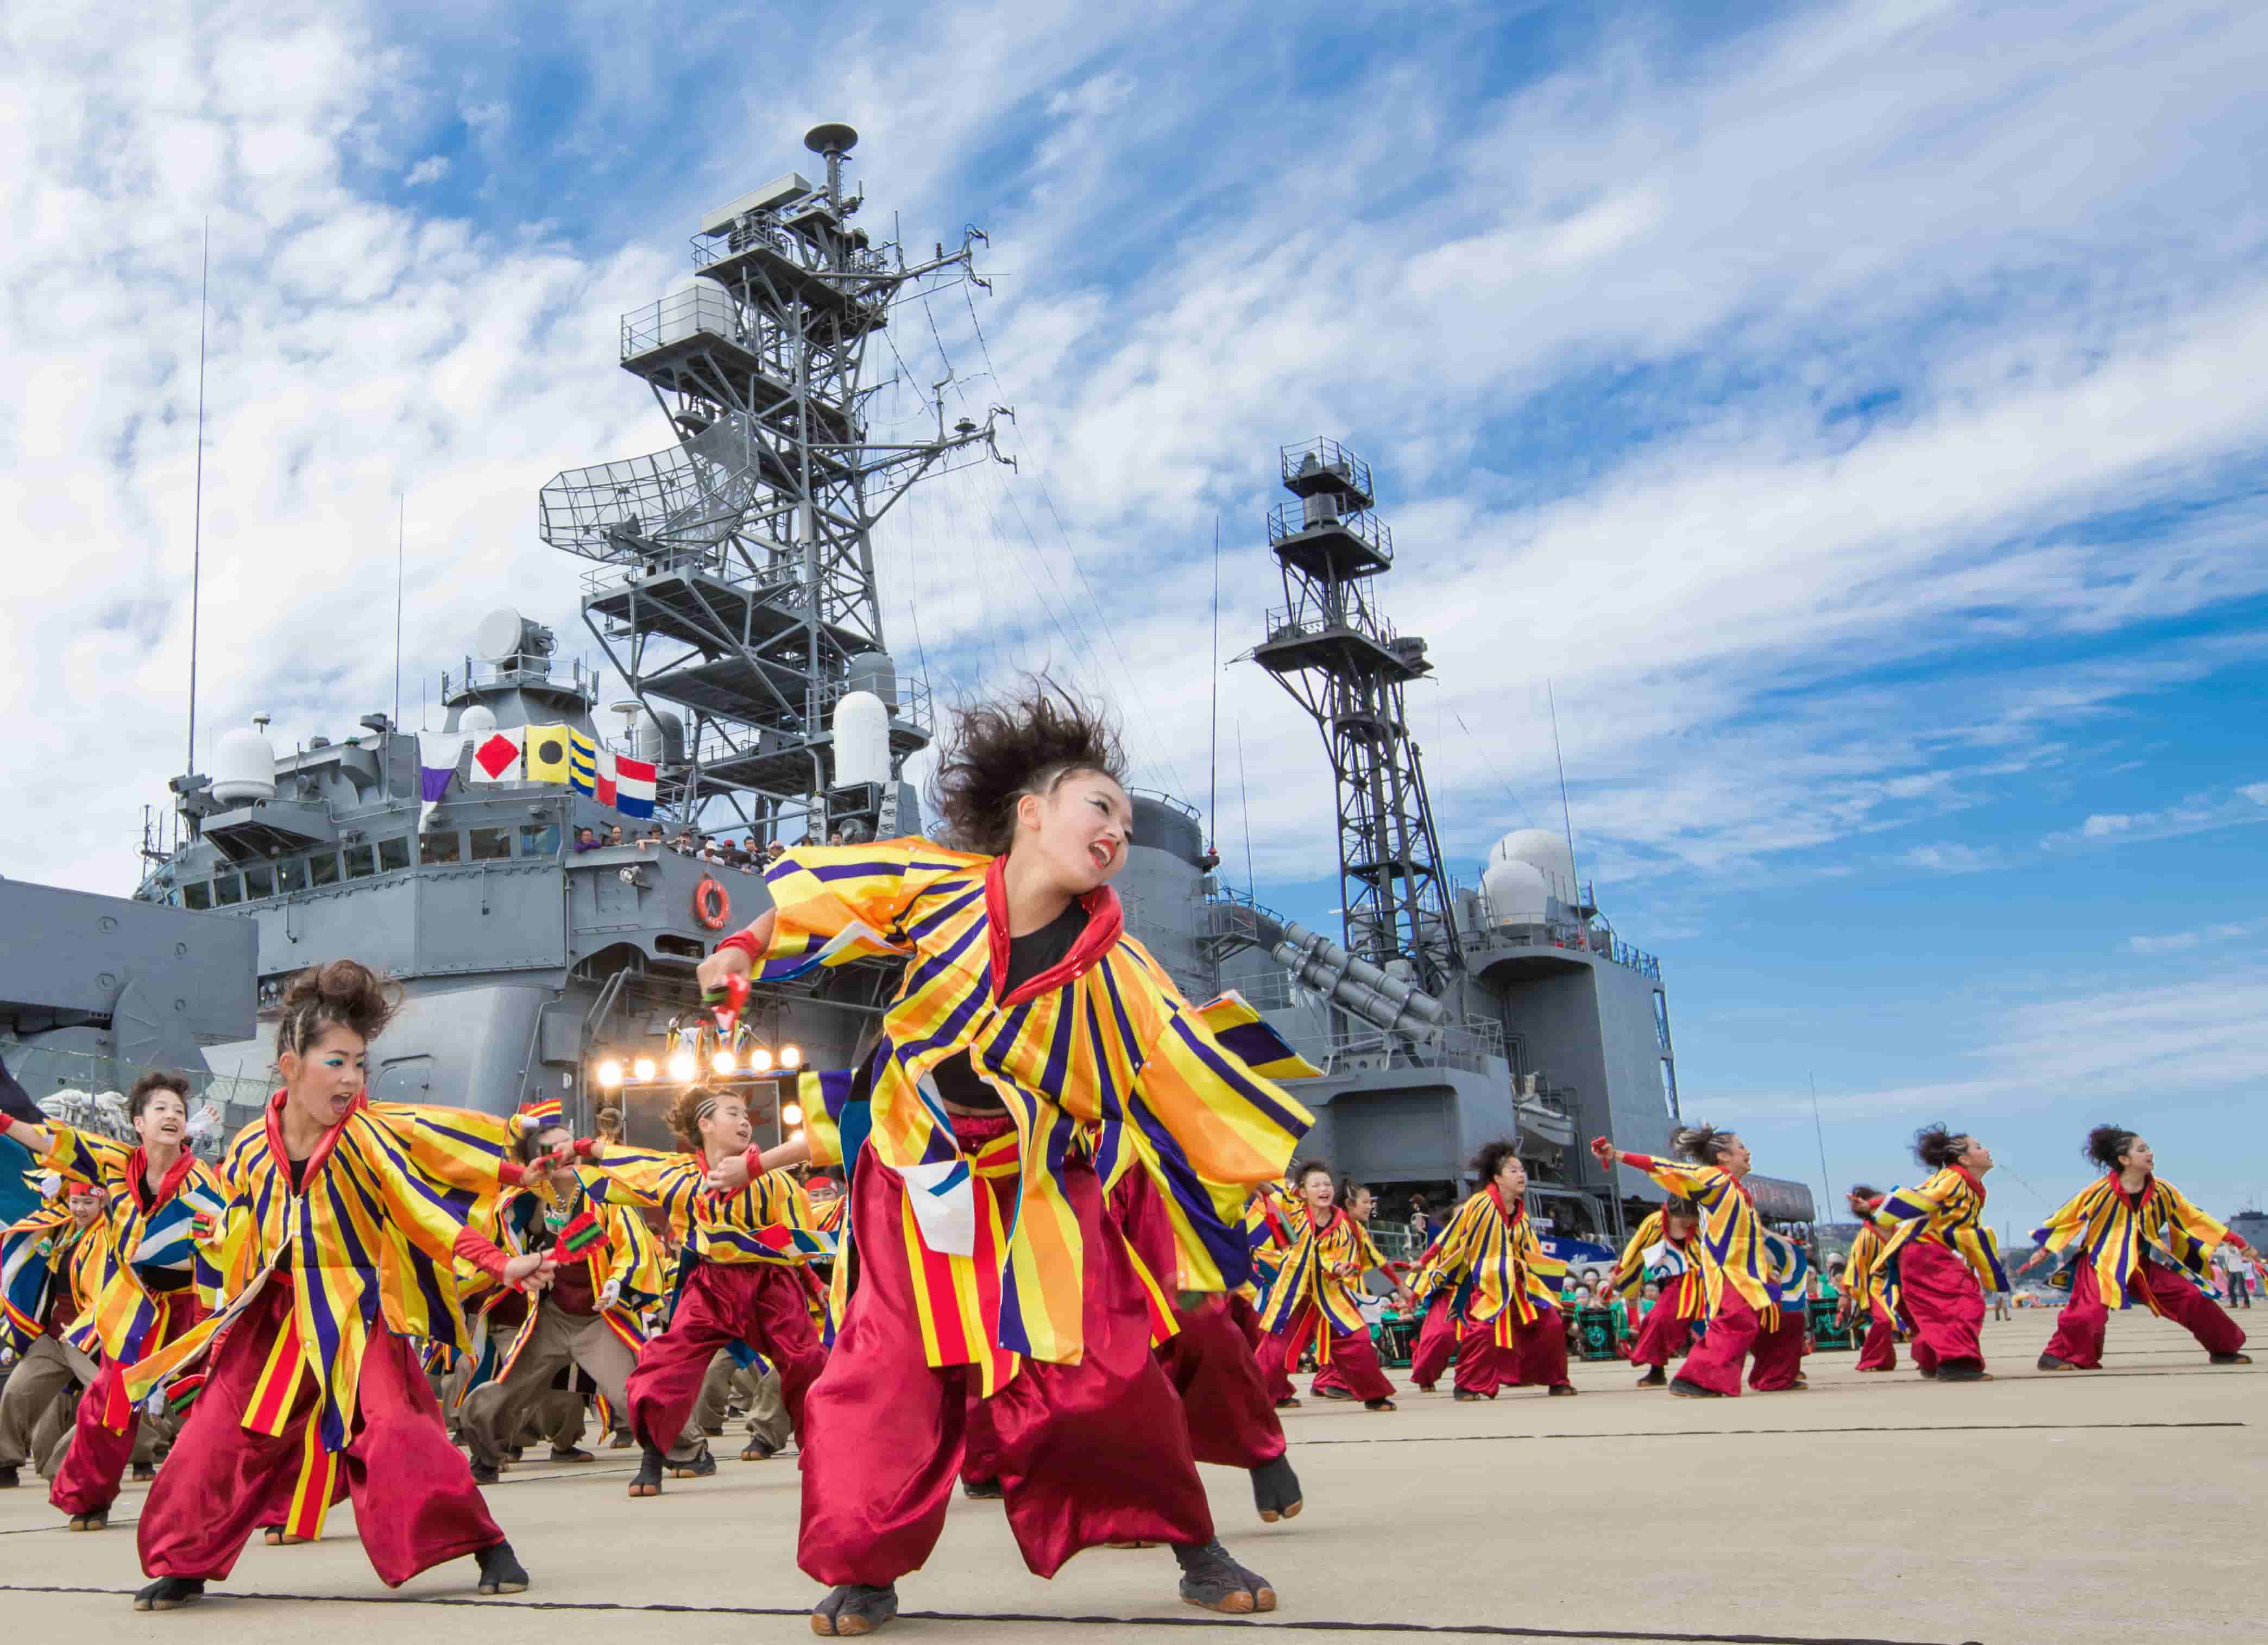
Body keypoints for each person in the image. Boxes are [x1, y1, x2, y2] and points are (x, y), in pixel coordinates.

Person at [695, 679, 1305, 1634]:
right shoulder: (932, 884)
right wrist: (740, 948)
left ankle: (1193, 1543)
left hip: (1040, 1192)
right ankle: (865, 1571)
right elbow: (812, 890)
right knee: (880, 1376)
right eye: (1099, 804)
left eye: (1127, 819)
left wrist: (1245, 1184)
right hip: (911, 1177)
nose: (1116, 828)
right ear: (1031, 812)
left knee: (1106, 1370)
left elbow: (1183, 1080)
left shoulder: (1126, 972)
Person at [97, 961, 547, 1610]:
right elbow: (238, 1230)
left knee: (401, 1434)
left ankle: (486, 1544)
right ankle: (186, 1562)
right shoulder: (250, 1147)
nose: (353, 1079)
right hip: (272, 1316)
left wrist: (501, 1263)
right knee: (212, 1438)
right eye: (337, 1063)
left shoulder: (366, 1139)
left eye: (361, 1064)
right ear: (290, 1067)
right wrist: (215, 1238)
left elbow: (423, 1212)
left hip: (357, 1312)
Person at [560, 1085, 827, 1493]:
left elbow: (794, 1239)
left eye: (745, 1115)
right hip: (709, 1285)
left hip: (771, 1284)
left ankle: (822, 1454)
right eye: (732, 1113)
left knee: (807, 1361)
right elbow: (630, 1161)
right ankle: (652, 1458)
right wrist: (584, 1147)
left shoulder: (774, 1181)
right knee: (665, 1367)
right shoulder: (678, 1173)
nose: (744, 1121)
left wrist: (811, 1285)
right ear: (705, 1124)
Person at [0, 1071, 226, 1532]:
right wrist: (4, 1121)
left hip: (195, 1305)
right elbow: (49, 1139)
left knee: (214, 1401)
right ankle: (89, 1498)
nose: (172, 1116)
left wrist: (212, 1333)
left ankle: (240, 1498)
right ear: (139, 1124)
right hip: (136, 1303)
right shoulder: (110, 1163)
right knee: (108, 1401)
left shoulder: (204, 1189)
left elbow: (217, 1264)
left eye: (179, 1112)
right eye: (160, 1108)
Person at [456, 1104, 707, 1484]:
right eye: (552, 1150)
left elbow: (631, 1248)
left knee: (631, 1393)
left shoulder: (603, 1192)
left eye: (569, 1146)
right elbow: (490, 1246)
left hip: (596, 1318)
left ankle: (689, 1450)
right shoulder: (516, 1204)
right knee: (499, 1395)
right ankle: (487, 1459)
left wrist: (617, 1283)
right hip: (548, 1318)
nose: (564, 1155)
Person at [1589, 1127, 1805, 1397]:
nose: (1747, 1152)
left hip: (1753, 1275)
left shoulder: (1735, 1190)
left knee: (1787, 1319)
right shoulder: (1712, 1179)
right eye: (1741, 1147)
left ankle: (1775, 1376)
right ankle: (1696, 1380)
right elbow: (1667, 1167)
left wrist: (1777, 1257)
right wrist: (1618, 1155)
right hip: (1729, 1275)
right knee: (1736, 1322)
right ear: (1724, 1156)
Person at [2023, 1126, 2253, 1371]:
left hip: (2140, 1265)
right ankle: (2056, 1356)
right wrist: (2045, 1250)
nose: (2150, 1153)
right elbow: (2068, 1218)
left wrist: (2237, 1241)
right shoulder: (2100, 1191)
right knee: (2088, 1314)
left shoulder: (2163, 1191)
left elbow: (2195, 1219)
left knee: (2192, 1297)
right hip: (2098, 1263)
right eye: (2142, 1150)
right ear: (2125, 1160)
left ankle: (2224, 1349)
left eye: (2148, 1148)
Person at [1421, 1143, 1576, 1400]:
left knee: (1551, 1324)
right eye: (1513, 1170)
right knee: (1481, 1331)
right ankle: (1466, 1385)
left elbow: (1534, 1252)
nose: (1521, 1175)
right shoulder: (1479, 1204)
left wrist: (1551, 1291)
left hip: (1521, 1285)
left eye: (1522, 1170)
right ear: (1497, 1178)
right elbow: (1452, 1234)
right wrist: (1424, 1260)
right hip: (1488, 1284)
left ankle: (1557, 1381)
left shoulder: (1522, 1215)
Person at [0, 1173, 119, 1490]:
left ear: (102, 1202)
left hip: (91, 1339)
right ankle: (5, 1463)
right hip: (54, 1337)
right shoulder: (61, 1229)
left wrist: (82, 1331)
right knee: (16, 1391)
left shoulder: (110, 1235)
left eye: (87, 1202)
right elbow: (41, 1215)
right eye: (75, 1201)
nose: (80, 1209)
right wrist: (51, 1195)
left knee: (110, 1401)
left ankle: (71, 1466)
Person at [1256, 1161, 1406, 1410]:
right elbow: (1266, 1190)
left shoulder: (1346, 1226)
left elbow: (1351, 1260)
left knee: (1358, 1339)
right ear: (1303, 1192)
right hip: (1295, 1292)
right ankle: (1260, 1395)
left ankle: (1375, 1395)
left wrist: (1344, 1269)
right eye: (1316, 1185)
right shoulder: (1292, 1212)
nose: (1323, 1189)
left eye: (1327, 1184)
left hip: (1329, 1293)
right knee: (1276, 1348)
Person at [1863, 1125, 2006, 1383]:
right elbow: (1922, 1197)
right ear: (1964, 1159)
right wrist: (1875, 1206)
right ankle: (1956, 1363)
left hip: (1924, 1251)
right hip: (1924, 1250)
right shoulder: (1954, 1178)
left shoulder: (1961, 1181)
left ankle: (1935, 1359)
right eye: (1978, 1147)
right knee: (1965, 1302)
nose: (1986, 1150)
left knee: (1936, 1309)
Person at [1611, 1197, 1704, 1387]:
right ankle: (1656, 1370)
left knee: (1715, 1324)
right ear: (1670, 1213)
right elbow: (1635, 1248)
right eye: (1683, 1219)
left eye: (1691, 1218)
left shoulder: (1704, 1220)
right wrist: (1618, 1272)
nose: (1688, 1223)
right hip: (1674, 1281)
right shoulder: (1655, 1222)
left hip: (1706, 1278)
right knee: (1657, 1320)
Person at [1838, 1187, 1899, 1372]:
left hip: (1904, 1282)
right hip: (1878, 1285)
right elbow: (1854, 1267)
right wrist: (1845, 1294)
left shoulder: (1899, 1226)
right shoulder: (1866, 1236)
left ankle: (1932, 1360)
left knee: (1919, 1322)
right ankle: (1874, 1360)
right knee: (1883, 1321)